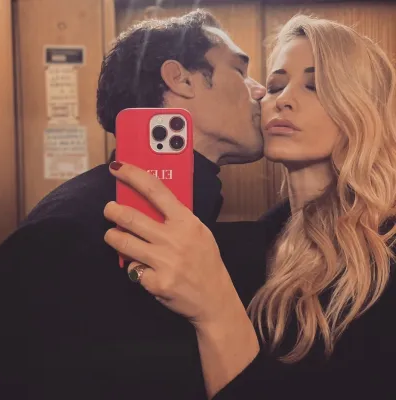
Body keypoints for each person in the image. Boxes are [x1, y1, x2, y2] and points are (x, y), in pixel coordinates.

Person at [104, 15, 396, 400]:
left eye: (314, 86)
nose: (282, 99)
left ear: (362, 108)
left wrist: (214, 308)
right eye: (275, 86)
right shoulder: (250, 243)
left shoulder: (386, 244)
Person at [0, 10, 269, 400]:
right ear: (181, 79)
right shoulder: (63, 235)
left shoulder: (201, 217)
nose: (259, 91)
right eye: (240, 71)